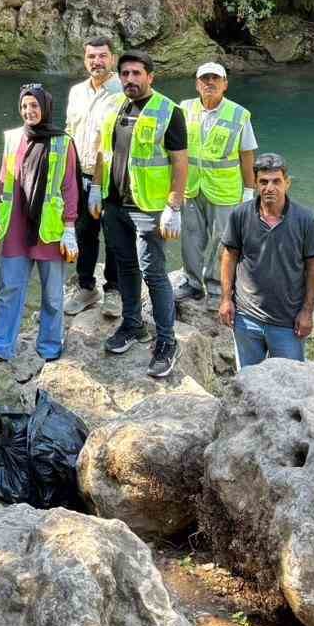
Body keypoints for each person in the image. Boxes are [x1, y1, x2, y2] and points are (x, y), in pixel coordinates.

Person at [89, 51, 189, 380]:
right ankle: (133, 325)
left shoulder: (168, 111)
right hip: (115, 204)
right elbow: (105, 152)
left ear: (150, 76)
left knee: (154, 273)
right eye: (125, 74)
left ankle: (166, 341)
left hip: (148, 208)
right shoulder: (115, 107)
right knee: (125, 265)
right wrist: (95, 188)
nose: (130, 79)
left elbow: (180, 162)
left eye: (136, 73)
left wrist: (173, 206)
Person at [0, 85, 79, 364]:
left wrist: (70, 228)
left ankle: (49, 346)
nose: (28, 111)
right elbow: (2, 177)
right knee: (9, 287)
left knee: (52, 295)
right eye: (24, 106)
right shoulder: (12, 138)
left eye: (34, 106)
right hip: (16, 224)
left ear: (45, 108)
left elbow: (70, 186)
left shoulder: (62, 141)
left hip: (48, 228)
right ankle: (1, 345)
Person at [218, 154, 314, 367]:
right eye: (264, 182)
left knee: (290, 384)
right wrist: (226, 299)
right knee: (248, 383)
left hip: (287, 323)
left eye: (276, 181)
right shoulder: (241, 215)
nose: (270, 188)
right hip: (247, 320)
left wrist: (307, 311)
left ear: (287, 183)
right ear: (255, 184)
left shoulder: (306, 220)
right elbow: (229, 256)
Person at [177, 63, 257, 303]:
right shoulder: (184, 109)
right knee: (190, 238)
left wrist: (249, 191)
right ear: (197, 83)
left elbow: (247, 154)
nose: (209, 83)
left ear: (225, 84)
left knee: (224, 239)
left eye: (215, 78)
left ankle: (216, 288)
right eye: (204, 78)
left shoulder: (238, 114)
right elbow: (175, 148)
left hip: (225, 189)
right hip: (191, 186)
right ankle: (192, 283)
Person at [64, 38, 123, 318]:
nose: (96, 61)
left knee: (113, 234)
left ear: (112, 58)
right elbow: (69, 131)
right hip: (80, 174)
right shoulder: (76, 92)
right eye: (91, 56)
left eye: (102, 56)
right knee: (84, 233)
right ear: (84, 59)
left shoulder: (124, 91)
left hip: (113, 177)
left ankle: (114, 290)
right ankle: (86, 286)